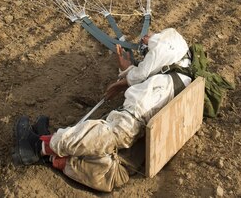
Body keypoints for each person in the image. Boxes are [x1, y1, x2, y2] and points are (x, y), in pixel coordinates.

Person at [12, 28, 192, 192]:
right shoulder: (177, 69)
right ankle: (48, 150)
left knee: (113, 132)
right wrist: (127, 72)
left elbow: (143, 73)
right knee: (111, 167)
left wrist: (124, 79)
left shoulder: (171, 39)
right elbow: (145, 73)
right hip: (149, 113)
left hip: (140, 111)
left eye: (147, 37)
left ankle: (39, 146)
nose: (144, 37)